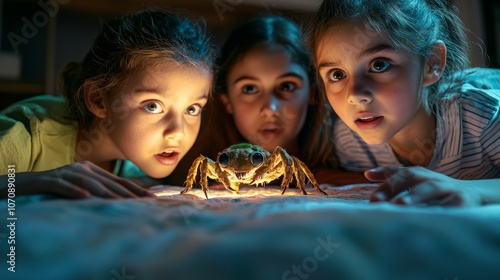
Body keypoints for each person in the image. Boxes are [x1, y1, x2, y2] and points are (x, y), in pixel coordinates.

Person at [0, 8, 216, 199]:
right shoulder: (27, 135)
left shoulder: (134, 164)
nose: (177, 132)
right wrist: (35, 180)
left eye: (192, 109)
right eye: (153, 106)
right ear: (98, 100)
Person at [309, 0, 500, 206]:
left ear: (431, 63)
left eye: (379, 64)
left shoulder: (482, 116)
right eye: (337, 74)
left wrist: (471, 190)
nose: (354, 94)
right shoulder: (351, 143)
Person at [165, 14, 369, 187]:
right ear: (226, 101)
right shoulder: (182, 157)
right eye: (250, 89)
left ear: (313, 93)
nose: (270, 108)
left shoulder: (358, 146)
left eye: (287, 87)